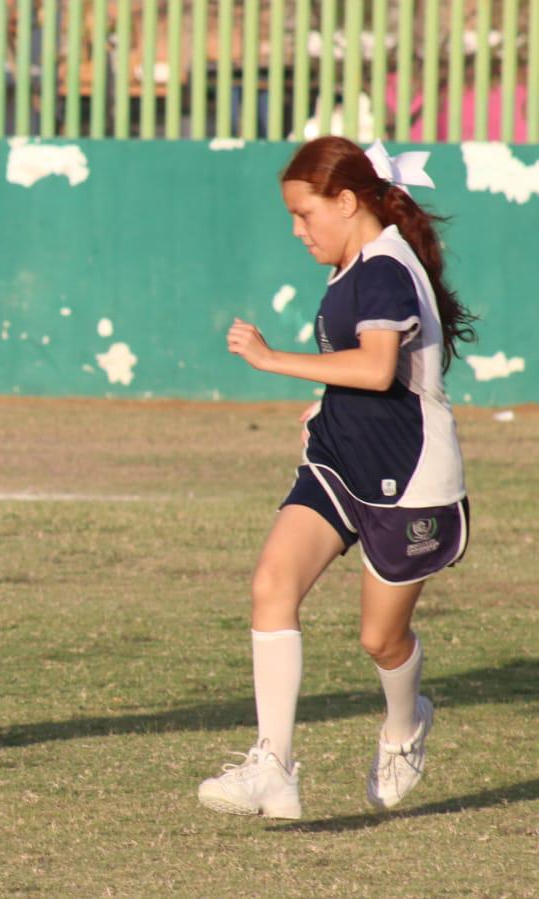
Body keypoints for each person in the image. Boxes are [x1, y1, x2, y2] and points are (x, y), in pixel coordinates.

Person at [198, 137, 475, 819]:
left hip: (407, 478)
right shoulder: (352, 265)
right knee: (272, 584)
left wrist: (271, 360)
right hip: (338, 462)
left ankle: (404, 726)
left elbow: (377, 369)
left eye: (304, 214)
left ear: (347, 202)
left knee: (379, 639)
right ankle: (273, 765)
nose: (297, 230)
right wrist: (325, 404)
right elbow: (366, 372)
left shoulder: (383, 269)